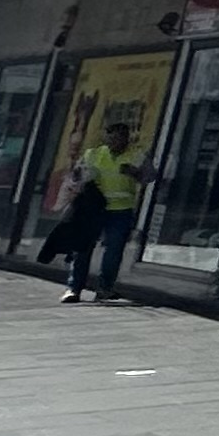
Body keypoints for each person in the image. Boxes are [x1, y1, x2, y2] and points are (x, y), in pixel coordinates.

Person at [73, 120, 148, 302]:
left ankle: (105, 288)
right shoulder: (93, 154)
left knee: (113, 251)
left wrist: (136, 173)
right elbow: (76, 174)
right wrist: (80, 174)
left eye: (121, 138)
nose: (116, 142)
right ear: (106, 138)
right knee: (83, 248)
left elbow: (151, 177)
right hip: (94, 208)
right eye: (112, 138)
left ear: (127, 139)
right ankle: (74, 288)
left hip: (121, 210)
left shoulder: (136, 156)